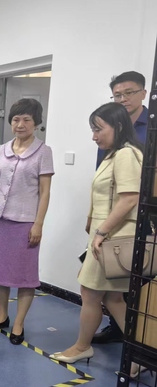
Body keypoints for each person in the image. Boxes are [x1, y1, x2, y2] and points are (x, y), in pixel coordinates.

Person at [50, 102, 143, 375]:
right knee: (113, 299)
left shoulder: (126, 154)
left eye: (98, 129)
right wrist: (93, 222)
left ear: (119, 126)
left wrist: (101, 231)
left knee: (90, 293)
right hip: (107, 235)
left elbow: (129, 198)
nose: (94, 136)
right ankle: (140, 354)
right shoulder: (114, 154)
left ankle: (82, 346)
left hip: (112, 237)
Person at [0, 98, 54, 345]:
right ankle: (2, 316)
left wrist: (38, 224)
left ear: (36, 123)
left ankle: (19, 323)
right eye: (15, 119)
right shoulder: (1, 149)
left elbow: (45, 192)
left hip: (25, 223)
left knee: (25, 276)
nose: (20, 124)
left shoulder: (43, 152)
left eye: (26, 119)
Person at [93, 71, 149, 345]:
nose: (123, 99)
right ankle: (121, 333)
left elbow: (131, 193)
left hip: (143, 214)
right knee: (114, 285)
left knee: (140, 283)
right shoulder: (109, 127)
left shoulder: (151, 128)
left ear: (143, 93)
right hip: (112, 218)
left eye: (129, 92)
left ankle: (141, 342)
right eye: (118, 95)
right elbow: (102, 173)